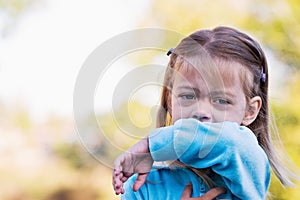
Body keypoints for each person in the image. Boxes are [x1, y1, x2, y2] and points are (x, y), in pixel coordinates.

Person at [112, 26, 296, 199]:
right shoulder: (143, 185)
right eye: (187, 96)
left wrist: (152, 145)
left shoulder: (246, 161)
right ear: (170, 100)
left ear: (250, 111)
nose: (201, 111)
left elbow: (229, 142)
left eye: (221, 100)